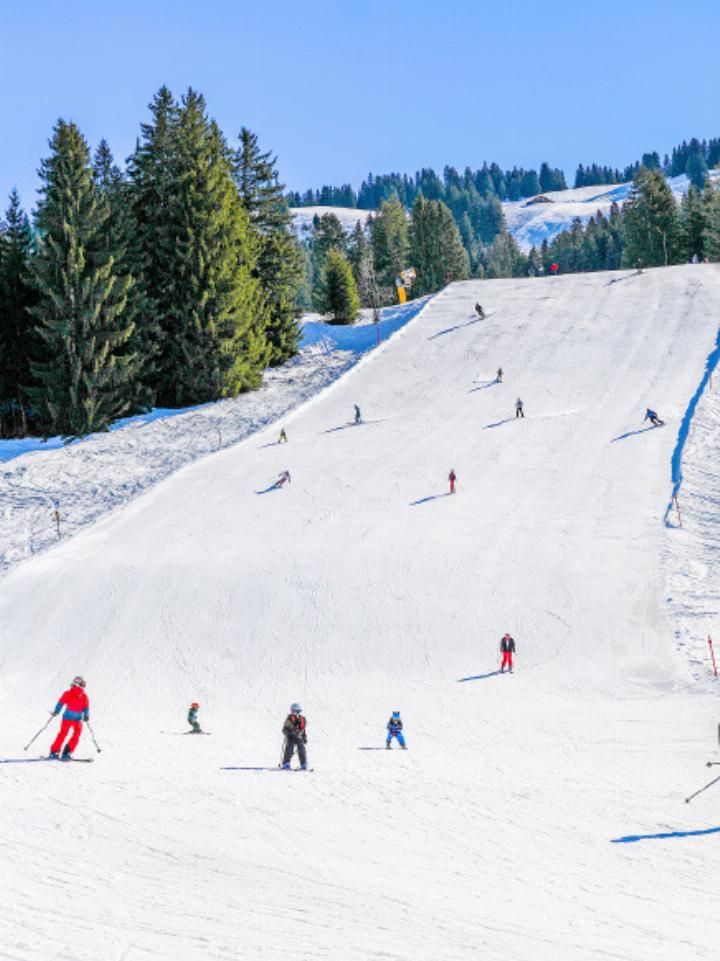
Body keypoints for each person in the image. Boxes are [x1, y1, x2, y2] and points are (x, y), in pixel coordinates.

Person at [49, 676, 89, 760]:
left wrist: (86, 715)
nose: (83, 686)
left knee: (74, 734)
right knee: (65, 734)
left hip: (77, 719)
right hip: (68, 718)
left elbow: (86, 707)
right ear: (77, 684)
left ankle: (65, 752)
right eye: (82, 684)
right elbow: (61, 702)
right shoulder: (69, 693)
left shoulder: (84, 696)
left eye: (84, 684)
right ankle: (57, 751)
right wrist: (56, 711)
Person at [281, 703, 307, 770]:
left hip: (298, 737)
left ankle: (303, 764)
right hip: (291, 737)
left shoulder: (302, 719)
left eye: (297, 711)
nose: (295, 713)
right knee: (289, 748)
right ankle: (286, 763)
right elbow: (284, 729)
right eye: (294, 711)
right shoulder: (289, 719)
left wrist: (304, 737)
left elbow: (303, 730)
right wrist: (289, 733)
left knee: (301, 749)